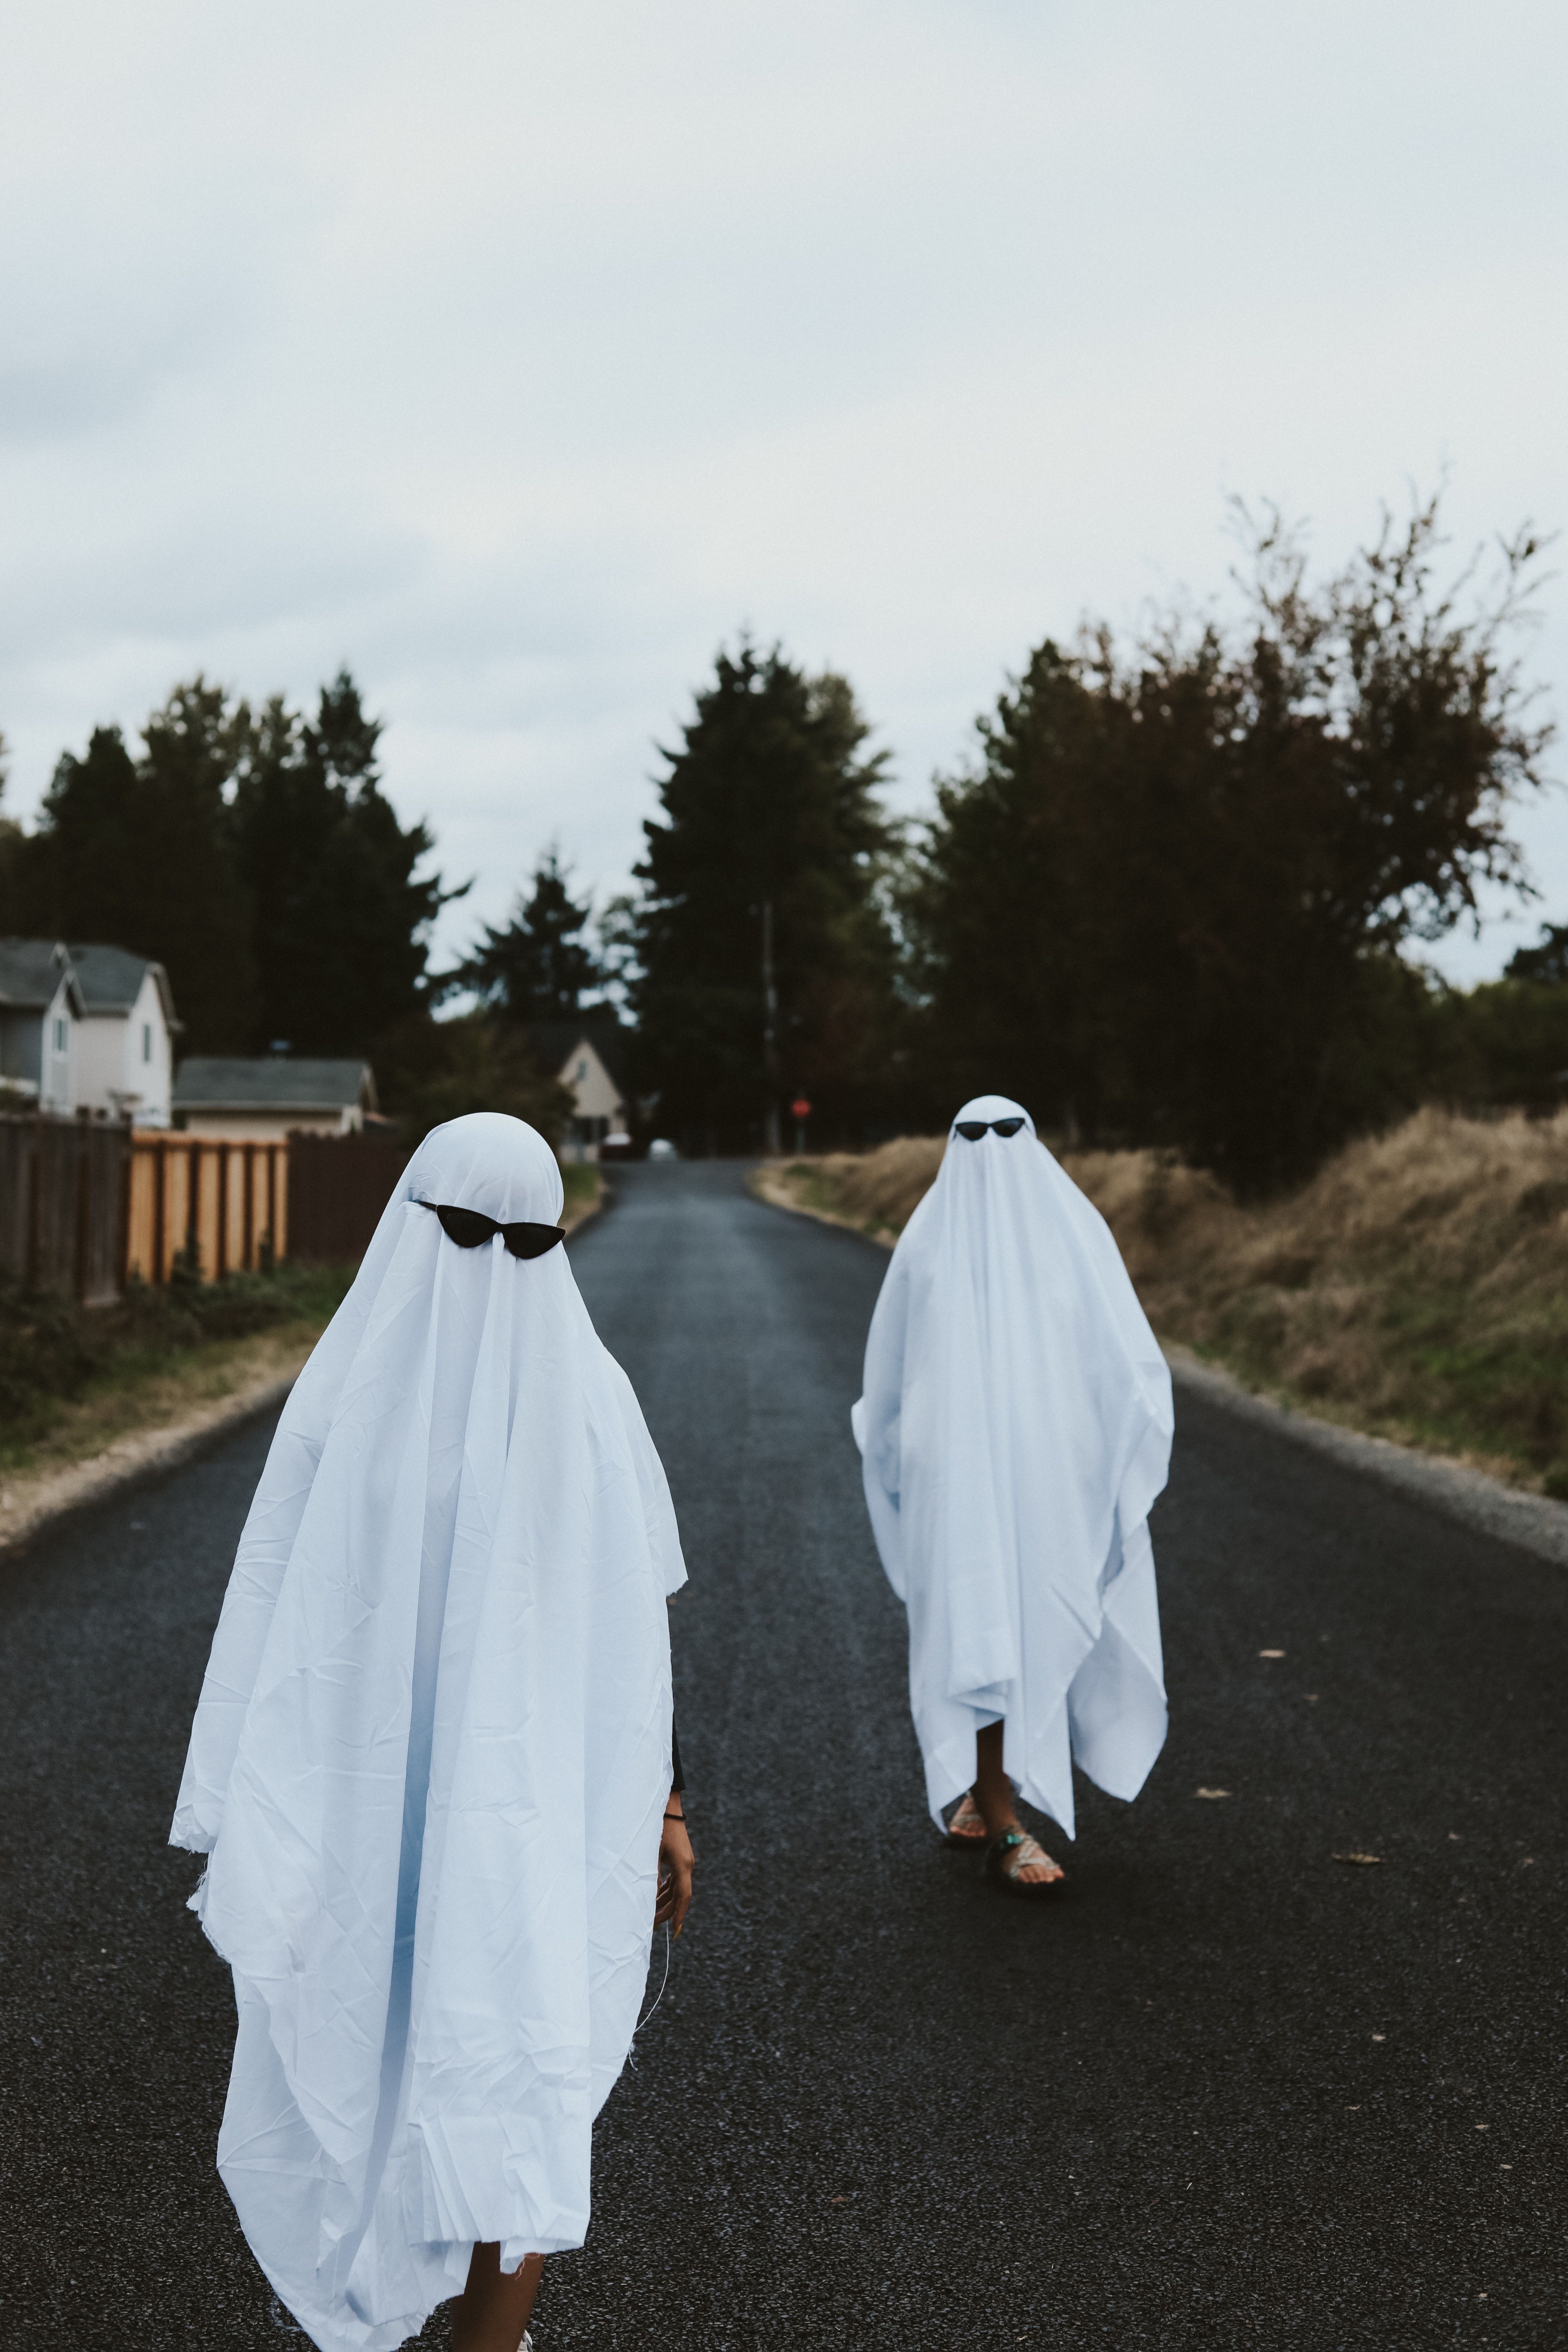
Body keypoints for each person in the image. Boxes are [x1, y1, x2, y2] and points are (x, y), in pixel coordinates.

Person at [170, 1113, 694, 2352]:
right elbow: (273, 1611)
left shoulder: (589, 1405)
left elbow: (633, 1647)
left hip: (525, 1818)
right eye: (468, 1232)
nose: (491, 1262)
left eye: (523, 1240)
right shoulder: (343, 1407)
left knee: (515, 2073)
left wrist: (662, 1798)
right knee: (382, 2046)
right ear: (416, 1221)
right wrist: (250, 1801)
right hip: (367, 1818)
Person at [851, 1094, 1172, 1897]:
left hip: (1046, 1484)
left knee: (1031, 1618)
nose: (989, 1152)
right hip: (953, 1490)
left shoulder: (1072, 1239)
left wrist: (1102, 1457)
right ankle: (1000, 1815)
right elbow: (886, 1378)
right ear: (949, 1145)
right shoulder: (927, 1244)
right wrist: (906, 1464)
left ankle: (986, 1789)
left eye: (1006, 1134)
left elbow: (1123, 1359)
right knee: (977, 1627)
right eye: (972, 1136)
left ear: (1031, 1142)